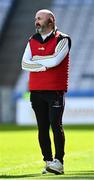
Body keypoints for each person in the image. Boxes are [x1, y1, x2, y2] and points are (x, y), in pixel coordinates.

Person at [21, 9, 71, 175]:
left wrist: (37, 60)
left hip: (55, 89)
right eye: (36, 18)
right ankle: (48, 162)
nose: (36, 21)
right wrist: (45, 64)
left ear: (51, 20)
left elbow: (57, 61)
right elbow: (24, 63)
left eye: (40, 18)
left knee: (56, 125)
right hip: (36, 90)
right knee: (42, 128)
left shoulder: (63, 39)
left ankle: (59, 162)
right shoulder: (32, 39)